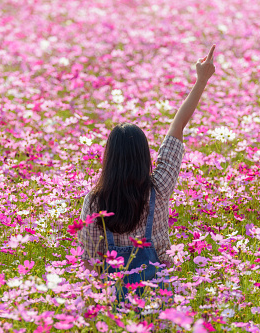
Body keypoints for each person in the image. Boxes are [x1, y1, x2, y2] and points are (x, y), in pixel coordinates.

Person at [78, 45, 217, 298]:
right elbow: (178, 126)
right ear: (145, 156)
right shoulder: (159, 187)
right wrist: (201, 81)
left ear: (108, 159)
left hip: (112, 297)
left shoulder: (95, 201)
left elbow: (89, 260)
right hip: (157, 292)